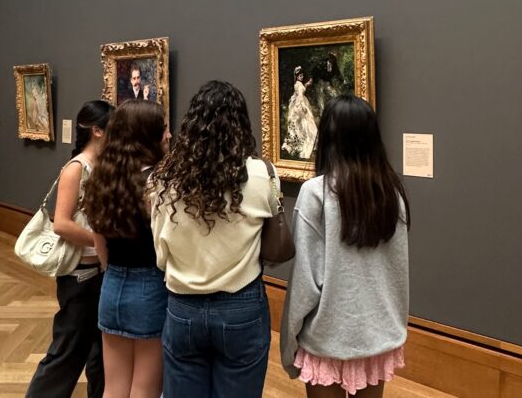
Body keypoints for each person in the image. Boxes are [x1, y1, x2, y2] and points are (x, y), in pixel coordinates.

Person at [150, 80, 279, 398]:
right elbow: (274, 245)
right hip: (241, 305)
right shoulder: (261, 174)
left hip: (184, 306)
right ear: (241, 125)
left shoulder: (165, 179)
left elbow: (160, 254)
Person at [280, 95, 411, 398]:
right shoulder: (392, 194)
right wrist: (393, 325)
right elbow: (399, 275)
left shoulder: (316, 194)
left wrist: (289, 345)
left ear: (328, 138)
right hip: (377, 335)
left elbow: (304, 283)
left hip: (327, 337)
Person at [26, 100, 114, 398]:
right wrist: (100, 241)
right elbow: (61, 224)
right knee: (67, 351)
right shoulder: (76, 168)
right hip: (79, 275)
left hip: (99, 271)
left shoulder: (103, 166)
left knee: (100, 352)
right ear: (97, 131)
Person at [83, 99, 171, 398]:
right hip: (150, 287)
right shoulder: (156, 183)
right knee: (145, 389)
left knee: (114, 387)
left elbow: (99, 244)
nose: (169, 136)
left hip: (111, 285)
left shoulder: (101, 177)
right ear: (146, 135)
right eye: (163, 129)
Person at [282, 66, 318, 159]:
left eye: (302, 76)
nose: (301, 77)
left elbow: (298, 91)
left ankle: (294, 145)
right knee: (306, 125)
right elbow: (300, 96)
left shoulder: (297, 84)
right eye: (300, 76)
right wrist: (303, 107)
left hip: (297, 104)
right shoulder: (299, 85)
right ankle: (305, 145)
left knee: (298, 126)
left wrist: (305, 85)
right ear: (297, 77)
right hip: (300, 104)